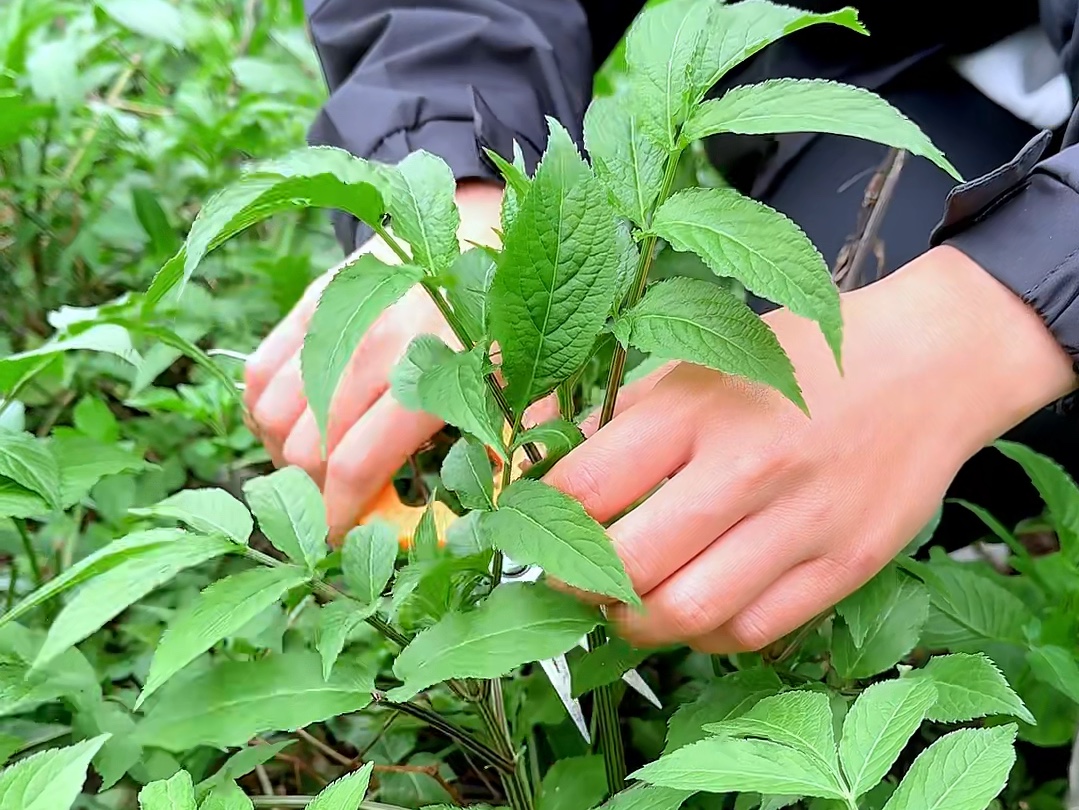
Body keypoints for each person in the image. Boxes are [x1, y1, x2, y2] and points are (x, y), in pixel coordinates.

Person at [244, 1, 1079, 653]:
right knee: (755, 423)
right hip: (929, 60)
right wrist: (454, 173)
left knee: (851, 425)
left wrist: (986, 320)